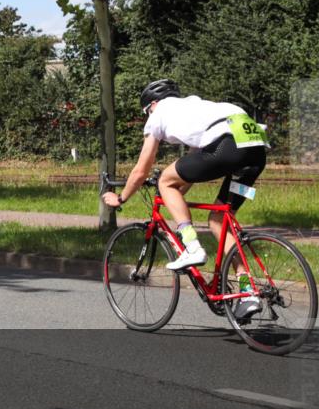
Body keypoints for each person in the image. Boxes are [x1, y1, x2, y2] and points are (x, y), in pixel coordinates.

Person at [102, 79, 268, 320]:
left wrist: (121, 197)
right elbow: (194, 165)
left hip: (227, 146)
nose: (148, 115)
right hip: (254, 150)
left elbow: (141, 170)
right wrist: (175, 193)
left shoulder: (159, 114)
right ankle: (247, 291)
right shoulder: (194, 107)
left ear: (153, 104)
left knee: (164, 180)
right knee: (219, 220)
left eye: (147, 110)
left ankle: (192, 246)